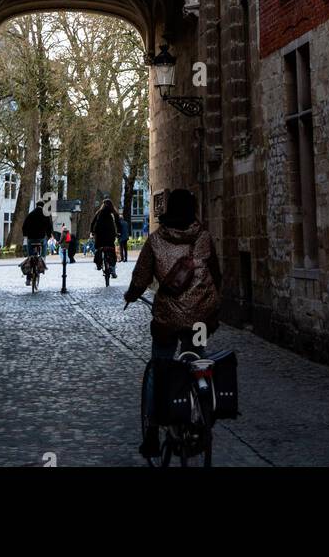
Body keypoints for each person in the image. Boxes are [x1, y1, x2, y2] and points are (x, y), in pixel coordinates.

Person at [124, 189, 222, 459]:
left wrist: (131, 295)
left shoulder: (156, 240)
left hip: (168, 319)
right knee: (198, 356)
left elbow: (141, 277)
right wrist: (213, 302)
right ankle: (202, 405)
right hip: (200, 318)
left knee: (160, 368)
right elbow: (216, 273)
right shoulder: (203, 237)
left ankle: (153, 432)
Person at [90, 197, 122, 279]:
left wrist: (92, 232)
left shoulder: (99, 212)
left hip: (99, 235)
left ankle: (98, 264)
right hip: (110, 235)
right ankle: (113, 269)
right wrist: (119, 232)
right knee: (111, 249)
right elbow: (118, 223)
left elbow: (93, 223)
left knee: (98, 248)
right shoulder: (113, 213)